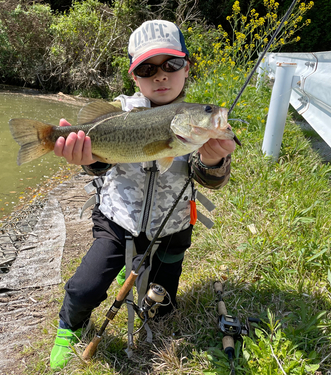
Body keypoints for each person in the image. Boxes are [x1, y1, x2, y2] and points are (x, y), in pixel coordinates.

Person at [49, 19, 236, 370]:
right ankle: (68, 327)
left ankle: (140, 269)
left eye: (172, 64)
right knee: (82, 289)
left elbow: (212, 180)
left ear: (187, 68)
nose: (161, 75)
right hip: (117, 220)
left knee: (162, 312)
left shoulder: (197, 126)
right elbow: (101, 165)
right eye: (147, 68)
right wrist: (89, 161)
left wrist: (214, 162)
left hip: (172, 229)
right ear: (134, 76)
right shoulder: (119, 113)